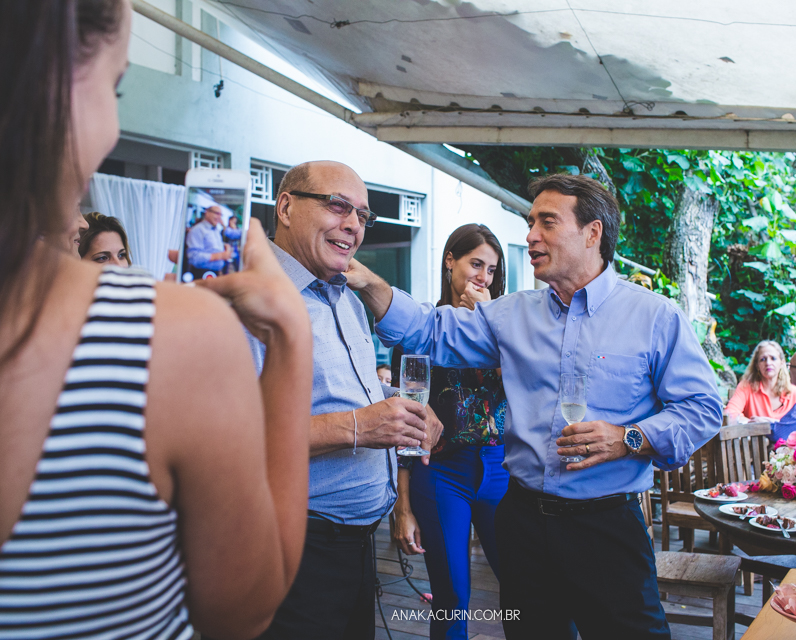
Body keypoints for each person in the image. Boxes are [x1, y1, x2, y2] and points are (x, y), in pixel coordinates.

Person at [0, 2, 313, 638]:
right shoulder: (170, 337)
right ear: (50, 86)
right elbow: (243, 612)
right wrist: (292, 335)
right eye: (116, 87)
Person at [348, 173, 722, 639]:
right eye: (530, 223)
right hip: (522, 522)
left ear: (592, 233)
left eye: (547, 222)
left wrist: (630, 438)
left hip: (607, 527)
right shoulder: (511, 314)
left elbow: (703, 408)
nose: (530, 236)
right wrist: (367, 281)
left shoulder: (655, 316)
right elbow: (430, 330)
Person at [247, 160, 442, 640]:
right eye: (338, 206)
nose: (354, 225)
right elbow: (230, 437)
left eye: (363, 215)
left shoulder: (347, 298)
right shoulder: (250, 297)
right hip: (289, 547)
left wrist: (402, 406)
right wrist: (359, 427)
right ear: (286, 207)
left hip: (356, 546)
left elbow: (347, 390)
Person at [392, 223, 509, 640]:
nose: (484, 277)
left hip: (501, 469)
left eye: (492, 270)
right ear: (450, 261)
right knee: (451, 595)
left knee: (523, 584)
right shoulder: (420, 330)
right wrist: (402, 507)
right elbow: (406, 427)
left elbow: (524, 385)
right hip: (441, 473)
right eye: (476, 264)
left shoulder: (506, 328)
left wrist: (491, 321)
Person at [725, 340, 796, 422]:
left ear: (782, 363)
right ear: (757, 365)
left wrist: (770, 423)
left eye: (773, 358)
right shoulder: (746, 387)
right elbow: (730, 413)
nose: (768, 363)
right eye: (763, 359)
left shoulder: (794, 393)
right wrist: (752, 423)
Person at [186, 204, 233, 274]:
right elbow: (193, 257)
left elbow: (210, 246)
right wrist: (220, 256)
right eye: (217, 213)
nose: (219, 217)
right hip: (201, 273)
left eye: (221, 215)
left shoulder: (215, 230)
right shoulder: (198, 230)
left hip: (214, 273)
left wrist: (224, 246)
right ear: (207, 213)